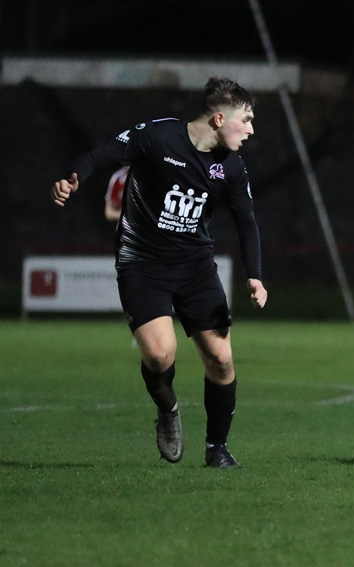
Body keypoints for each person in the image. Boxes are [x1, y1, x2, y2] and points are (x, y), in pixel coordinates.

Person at [51, 77, 267, 469]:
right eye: (247, 120)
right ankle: (168, 410)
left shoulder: (231, 166)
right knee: (159, 353)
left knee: (220, 358)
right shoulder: (158, 137)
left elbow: (246, 220)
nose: (251, 130)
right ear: (220, 118)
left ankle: (216, 448)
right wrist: (74, 178)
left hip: (196, 267)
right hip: (142, 263)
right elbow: (101, 155)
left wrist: (256, 275)